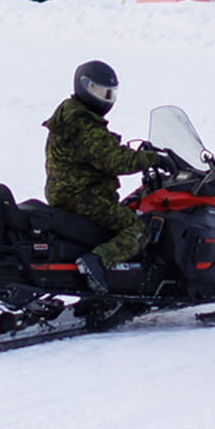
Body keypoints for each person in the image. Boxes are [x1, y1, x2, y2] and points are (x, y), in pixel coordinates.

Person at [43, 60, 172, 293]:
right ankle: (97, 262)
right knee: (139, 228)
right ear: (84, 86)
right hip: (83, 198)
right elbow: (112, 159)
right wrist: (153, 159)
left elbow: (99, 152)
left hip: (71, 194)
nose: (106, 99)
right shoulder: (81, 123)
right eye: (100, 92)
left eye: (111, 94)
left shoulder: (71, 114)